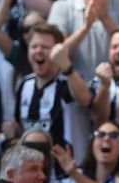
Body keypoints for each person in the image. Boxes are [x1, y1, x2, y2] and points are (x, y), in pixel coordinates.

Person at [9, 22, 92, 154]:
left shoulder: (68, 81)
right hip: (32, 168)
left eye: (45, 47)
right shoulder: (24, 84)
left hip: (66, 171)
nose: (38, 51)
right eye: (34, 46)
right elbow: (20, 125)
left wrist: (66, 65)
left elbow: (86, 99)